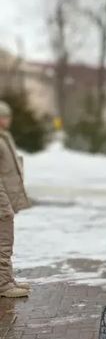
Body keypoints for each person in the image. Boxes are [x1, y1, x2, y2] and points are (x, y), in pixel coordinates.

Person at [0, 101, 32, 298]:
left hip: (6, 199)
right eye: (5, 116)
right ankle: (3, 285)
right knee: (3, 242)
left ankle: (6, 279)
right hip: (1, 202)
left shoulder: (4, 137)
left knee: (5, 241)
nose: (9, 120)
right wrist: (4, 205)